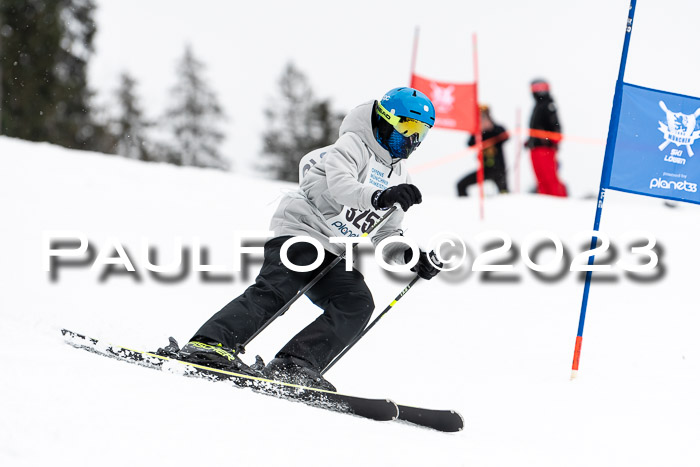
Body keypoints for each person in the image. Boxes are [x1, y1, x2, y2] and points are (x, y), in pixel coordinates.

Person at [175, 87, 442, 391]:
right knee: (279, 289)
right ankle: (210, 344)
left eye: (422, 132)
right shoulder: (354, 144)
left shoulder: (400, 176)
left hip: (336, 253)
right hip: (301, 231)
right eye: (407, 127)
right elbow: (342, 187)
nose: (412, 140)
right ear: (385, 119)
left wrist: (410, 257)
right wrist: (380, 197)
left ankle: (294, 364)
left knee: (356, 303)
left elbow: (385, 233)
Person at [526, 79, 567, 197]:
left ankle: (558, 200)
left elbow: (556, 127)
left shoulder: (548, 105)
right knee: (540, 178)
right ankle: (545, 201)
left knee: (549, 177)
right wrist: (531, 140)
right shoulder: (539, 106)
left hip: (545, 149)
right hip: (537, 148)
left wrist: (549, 140)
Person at [456, 105, 509, 196]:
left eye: (484, 115)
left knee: (504, 193)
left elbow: (506, 136)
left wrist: (491, 128)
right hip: (485, 169)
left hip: (499, 169)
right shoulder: (478, 133)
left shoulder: (496, 128)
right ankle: (464, 206)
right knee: (461, 185)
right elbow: (470, 143)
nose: (482, 118)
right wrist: (479, 131)